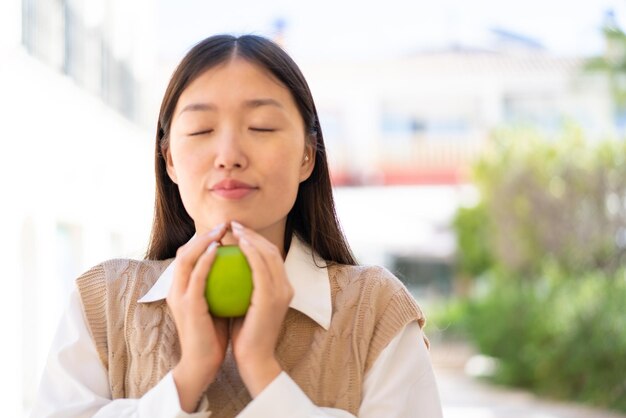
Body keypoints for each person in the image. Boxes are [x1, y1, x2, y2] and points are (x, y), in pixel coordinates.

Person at [31, 34, 443, 417]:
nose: (228, 154)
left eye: (261, 127)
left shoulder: (375, 309)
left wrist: (263, 370)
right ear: (169, 159)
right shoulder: (103, 302)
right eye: (201, 130)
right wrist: (188, 374)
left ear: (307, 155)